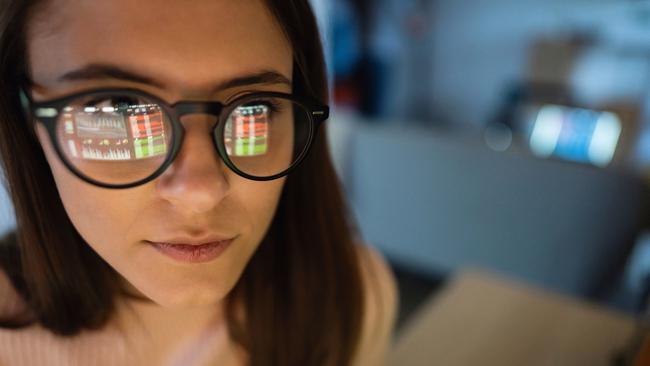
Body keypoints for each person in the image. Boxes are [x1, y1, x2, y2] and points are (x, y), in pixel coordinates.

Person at [0, 0, 398, 365]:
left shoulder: (351, 297)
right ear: (25, 118)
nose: (201, 194)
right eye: (118, 111)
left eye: (254, 108)